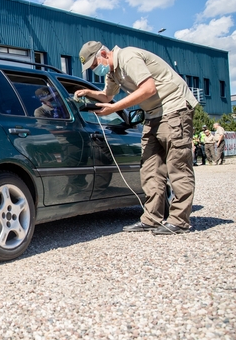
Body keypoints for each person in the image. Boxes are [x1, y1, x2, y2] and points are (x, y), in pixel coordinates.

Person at [75, 41, 198, 235]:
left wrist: (114, 109)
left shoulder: (129, 57)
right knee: (150, 167)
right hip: (152, 114)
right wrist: (89, 93)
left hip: (174, 108)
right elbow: (107, 96)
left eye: (93, 64)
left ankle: (179, 220)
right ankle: (151, 218)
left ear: (104, 54)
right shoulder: (112, 72)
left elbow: (148, 89)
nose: (93, 69)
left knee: (177, 165)